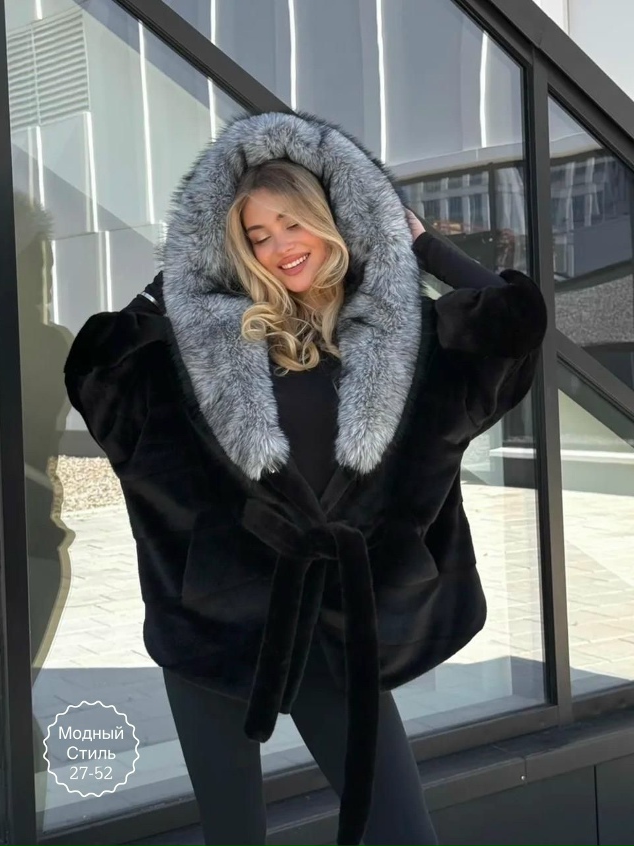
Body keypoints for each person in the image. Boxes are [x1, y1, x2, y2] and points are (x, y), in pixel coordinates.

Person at [64, 111, 547, 846]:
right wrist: (176, 283)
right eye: (257, 235)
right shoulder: (214, 340)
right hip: (215, 628)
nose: (279, 246)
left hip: (337, 630)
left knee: (401, 833)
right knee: (233, 837)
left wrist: (420, 244)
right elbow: (98, 379)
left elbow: (514, 323)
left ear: (331, 222)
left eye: (292, 223)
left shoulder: (402, 337)